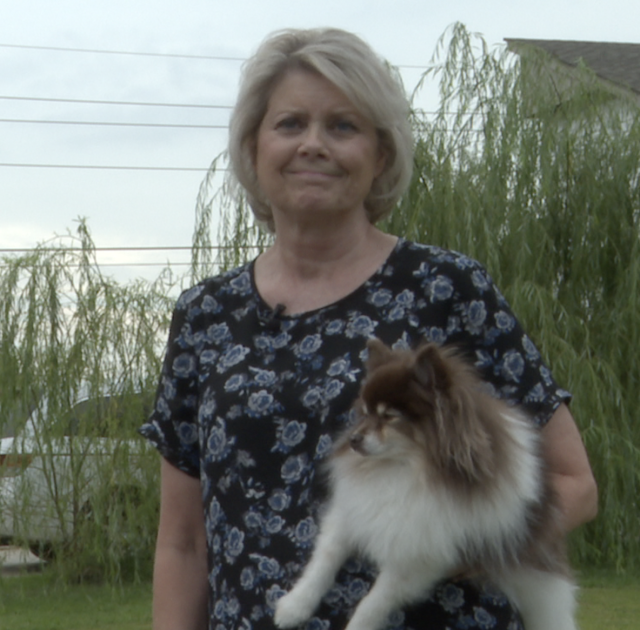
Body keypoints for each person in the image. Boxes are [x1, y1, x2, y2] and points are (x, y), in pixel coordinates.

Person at [140, 27, 598, 630]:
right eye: (290, 124)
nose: (313, 144)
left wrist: (447, 546)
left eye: (343, 126)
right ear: (253, 149)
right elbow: (183, 542)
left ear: (380, 155)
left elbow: (573, 484)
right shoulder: (205, 315)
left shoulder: (448, 287)